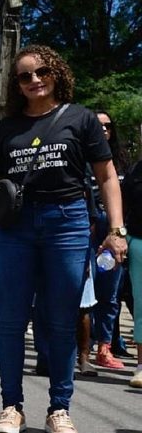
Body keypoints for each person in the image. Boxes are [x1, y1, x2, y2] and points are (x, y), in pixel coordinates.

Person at [0, 45, 127, 433]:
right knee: (11, 319)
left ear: (56, 73)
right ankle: (11, 406)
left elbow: (106, 176)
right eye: (24, 75)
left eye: (41, 72)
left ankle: (59, 408)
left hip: (68, 223)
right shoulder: (8, 128)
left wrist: (116, 230)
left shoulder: (80, 119)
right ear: (16, 84)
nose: (34, 80)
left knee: (62, 319)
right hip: (18, 228)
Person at [89, 110, 130, 369]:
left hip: (114, 232)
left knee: (109, 293)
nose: (103, 130)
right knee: (80, 292)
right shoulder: (78, 158)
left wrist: (120, 233)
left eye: (107, 126)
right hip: (84, 230)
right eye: (97, 125)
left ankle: (105, 347)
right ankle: (79, 347)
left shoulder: (123, 164)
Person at [121, 155, 142, 387]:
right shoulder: (136, 170)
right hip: (139, 241)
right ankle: (141, 367)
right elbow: (124, 205)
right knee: (141, 305)